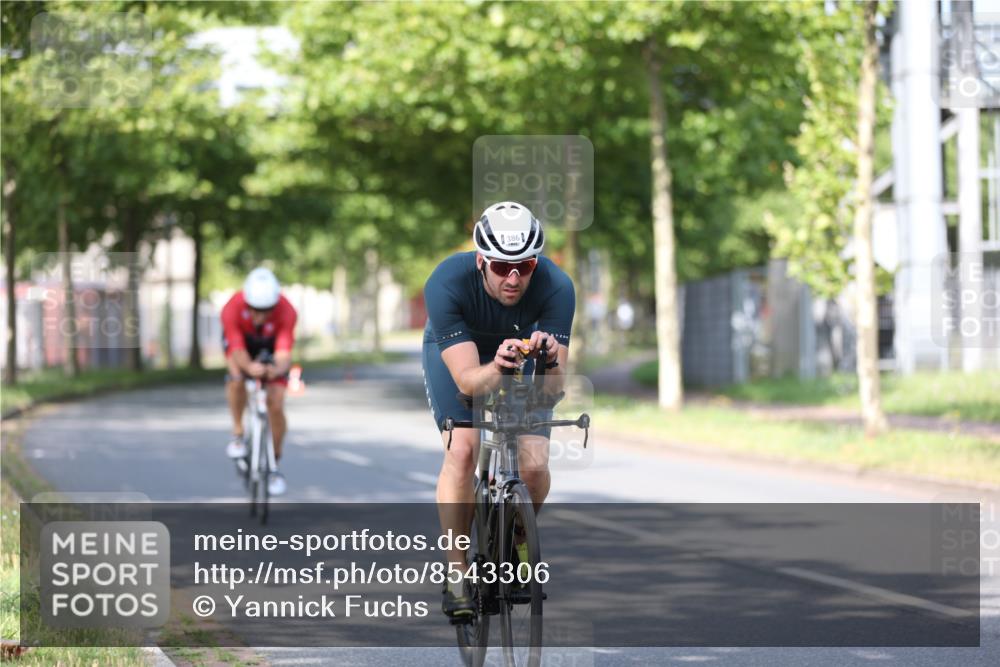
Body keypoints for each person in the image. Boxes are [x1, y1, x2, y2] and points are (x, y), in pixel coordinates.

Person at [422, 201, 575, 618]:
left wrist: (548, 361)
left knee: (535, 463)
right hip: (461, 356)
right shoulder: (446, 283)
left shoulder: (557, 287)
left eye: (524, 267)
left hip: (521, 356)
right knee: (463, 450)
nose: (513, 278)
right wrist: (498, 366)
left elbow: (556, 389)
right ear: (480, 261)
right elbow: (469, 382)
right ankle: (456, 574)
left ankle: (518, 542)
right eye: (501, 267)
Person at [220, 267, 297, 496]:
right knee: (236, 377)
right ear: (247, 302)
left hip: (271, 344)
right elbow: (235, 347)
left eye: (267, 310)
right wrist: (249, 368)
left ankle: (274, 462)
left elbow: (284, 353)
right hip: (243, 344)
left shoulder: (287, 311)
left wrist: (275, 370)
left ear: (275, 304)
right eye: (255, 310)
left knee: (276, 401)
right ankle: (237, 433)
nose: (260, 316)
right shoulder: (232, 308)